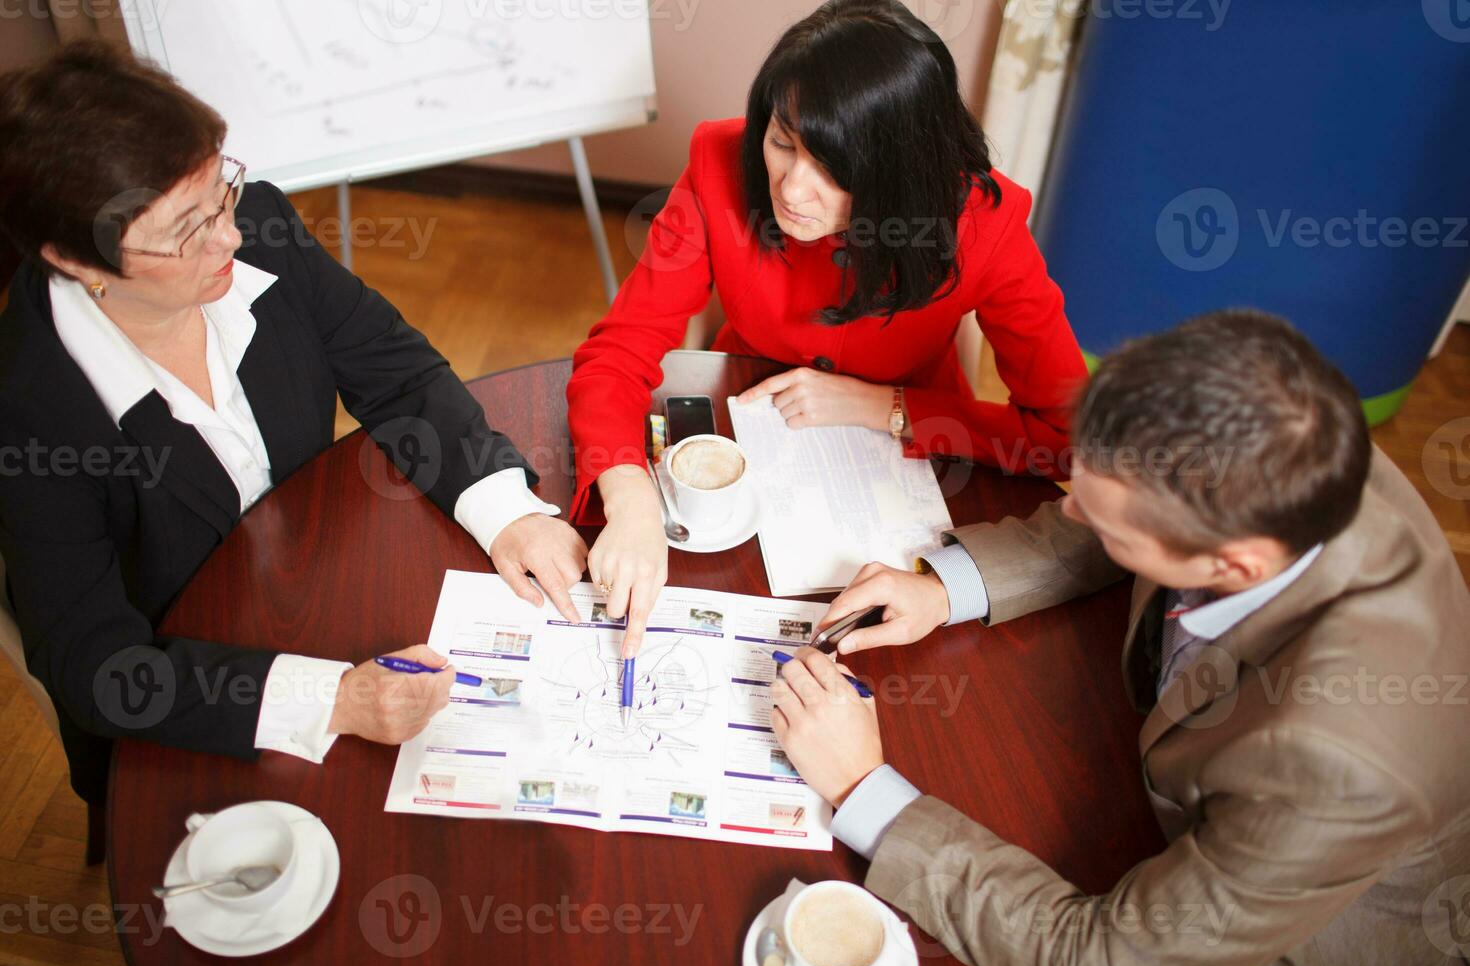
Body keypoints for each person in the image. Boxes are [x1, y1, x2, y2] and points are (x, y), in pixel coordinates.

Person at [771, 311, 1470, 966]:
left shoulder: (1338, 771)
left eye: (1110, 527)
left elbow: (1102, 961)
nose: (1069, 508)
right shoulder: (1286, 444)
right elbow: (1128, 501)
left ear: (1234, 567)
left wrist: (862, 789)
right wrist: (947, 587)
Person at [0, 43, 587, 809]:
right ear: (75, 261)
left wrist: (505, 511)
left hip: (326, 585)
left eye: (222, 192)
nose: (230, 240)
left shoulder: (264, 223)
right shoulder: (30, 407)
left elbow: (398, 375)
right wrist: (331, 699)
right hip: (205, 698)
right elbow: (96, 663)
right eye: (185, 230)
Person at [567, 0, 1087, 659]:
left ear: (899, 177)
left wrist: (892, 408)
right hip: (744, 431)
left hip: (915, 468)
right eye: (783, 142)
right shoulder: (719, 164)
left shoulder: (982, 223)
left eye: (835, 171)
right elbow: (618, 353)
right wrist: (630, 496)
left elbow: (1067, 438)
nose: (791, 189)